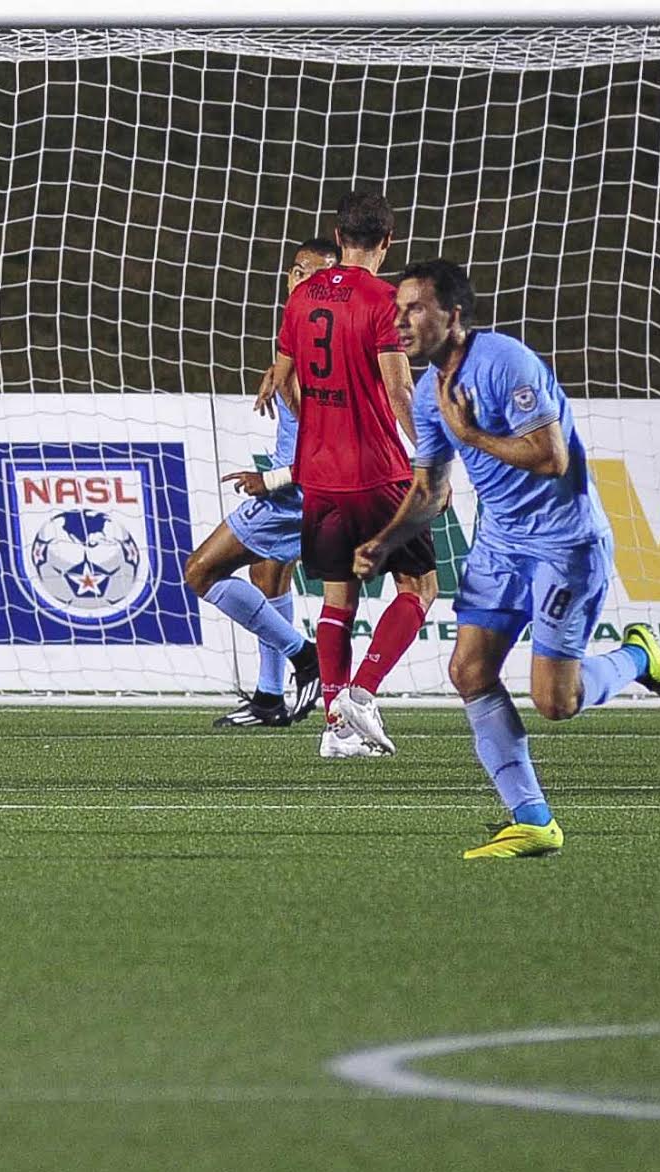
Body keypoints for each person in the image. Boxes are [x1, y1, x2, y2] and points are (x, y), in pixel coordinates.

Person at [356, 260, 660, 860]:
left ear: (452, 317)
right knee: (468, 672)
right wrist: (385, 540)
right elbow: (430, 488)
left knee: (554, 703)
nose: (400, 320)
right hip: (501, 546)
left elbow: (551, 456)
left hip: (565, 546)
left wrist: (473, 432)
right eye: (397, 309)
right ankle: (533, 819)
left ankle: (638, 657)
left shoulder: (504, 361)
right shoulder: (429, 391)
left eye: (415, 309)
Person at [254, 191, 438, 759]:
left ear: (337, 238)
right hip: (377, 472)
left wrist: (315, 433)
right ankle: (361, 692)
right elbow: (398, 387)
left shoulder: (300, 298)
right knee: (420, 587)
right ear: (387, 242)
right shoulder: (386, 300)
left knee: (339, 599)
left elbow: (285, 380)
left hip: (322, 476)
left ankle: (336, 729)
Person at [188, 236, 334, 727]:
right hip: (303, 487)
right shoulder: (300, 338)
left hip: (295, 491)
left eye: (312, 274)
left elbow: (329, 443)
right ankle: (270, 698)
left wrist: (269, 478)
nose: (299, 281)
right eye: (295, 271)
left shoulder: (322, 351)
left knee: (200, 572)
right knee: (267, 575)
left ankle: (304, 656)